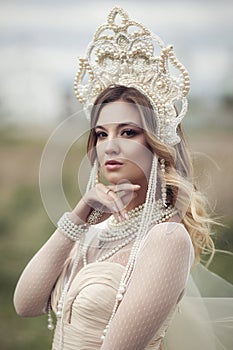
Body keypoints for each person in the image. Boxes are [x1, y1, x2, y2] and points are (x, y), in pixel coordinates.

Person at [13, 7, 233, 350]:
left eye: (128, 132)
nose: (110, 145)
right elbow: (26, 304)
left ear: (156, 145)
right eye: (101, 134)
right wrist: (81, 213)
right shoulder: (95, 232)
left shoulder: (167, 239)